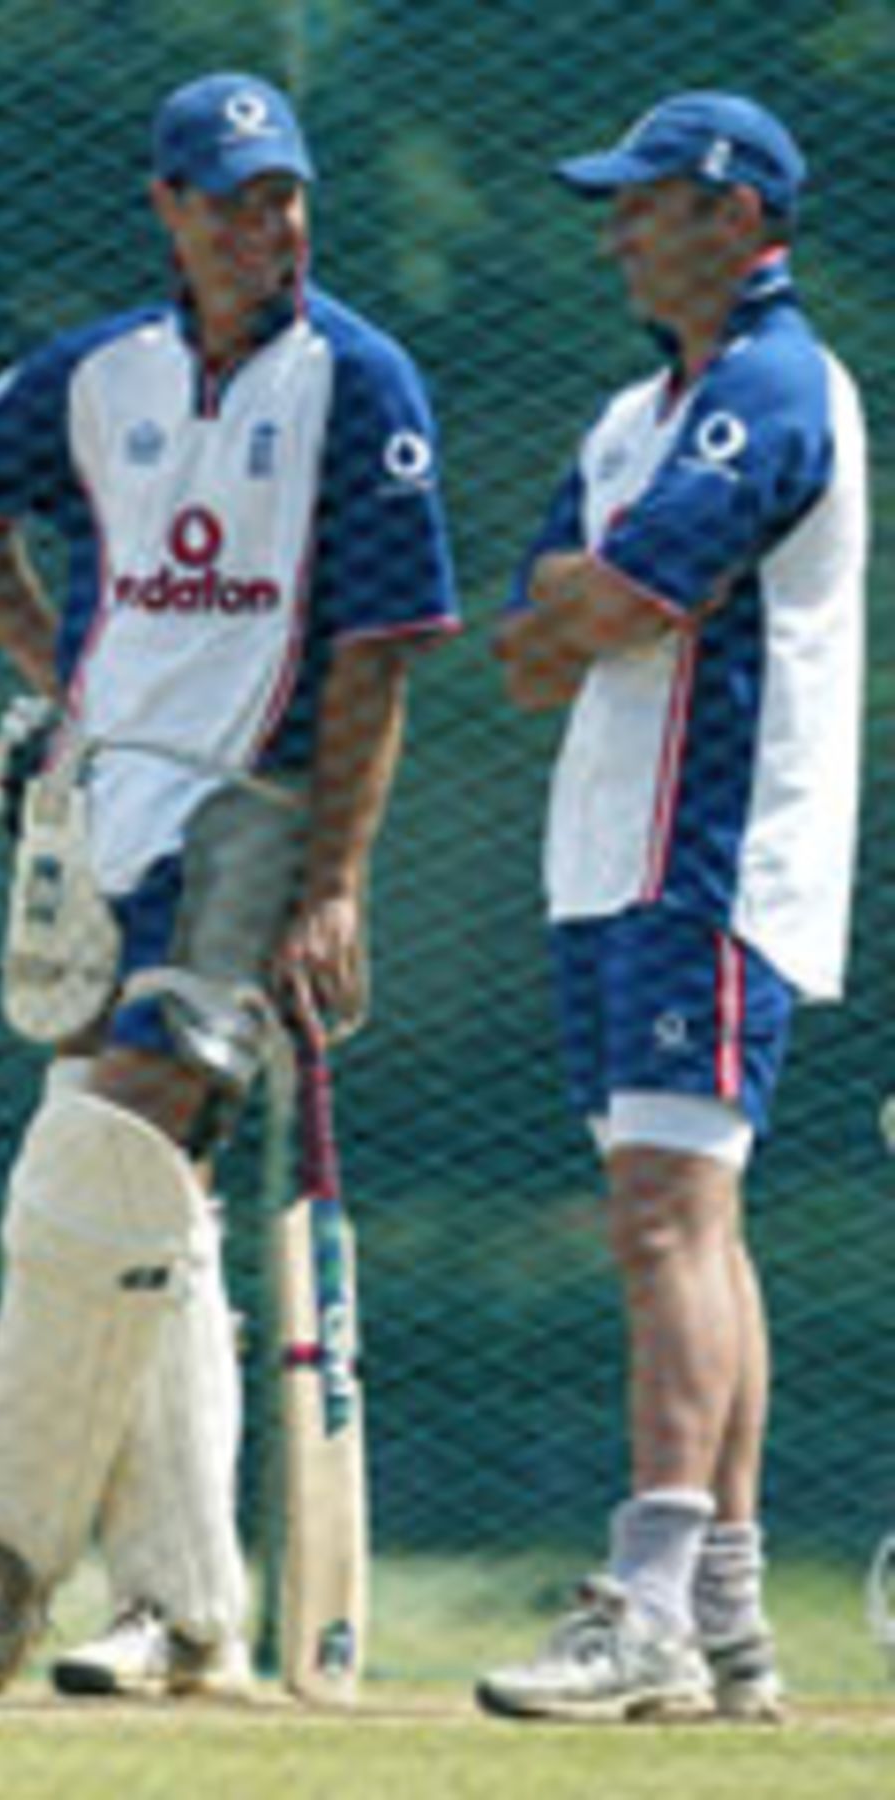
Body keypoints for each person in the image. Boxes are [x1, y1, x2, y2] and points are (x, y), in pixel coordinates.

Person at [0, 70, 458, 1699]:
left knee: (96, 1165)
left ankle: (12, 1551)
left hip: (254, 815)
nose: (263, 225)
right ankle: (188, 1612)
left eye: (283, 194)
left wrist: (337, 877)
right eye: (229, 200)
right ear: (169, 209)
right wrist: (54, 674)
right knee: (140, 1227)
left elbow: (377, 659)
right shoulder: (100, 376)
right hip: (101, 825)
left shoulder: (363, 383)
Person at [477, 92, 867, 1723]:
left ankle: (643, 1603)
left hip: (709, 861)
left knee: (663, 1220)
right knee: (690, 1218)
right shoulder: (635, 412)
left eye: (642, 200)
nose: (613, 228)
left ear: (733, 211)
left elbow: (624, 597)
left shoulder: (777, 384)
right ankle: (725, 1623)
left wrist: (603, 596)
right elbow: (525, 647)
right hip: (612, 857)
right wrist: (597, 600)